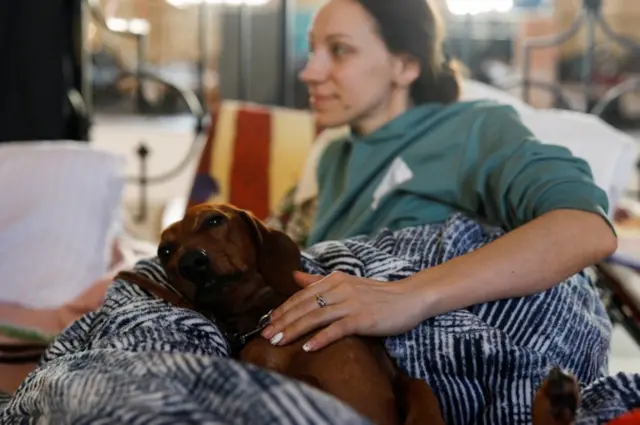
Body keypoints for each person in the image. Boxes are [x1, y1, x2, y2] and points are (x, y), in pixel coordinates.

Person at [260, 0, 617, 353]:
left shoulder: (471, 129)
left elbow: (585, 227)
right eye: (312, 50)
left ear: (405, 66)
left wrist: (409, 295)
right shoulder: (333, 154)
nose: (309, 72)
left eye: (339, 50)